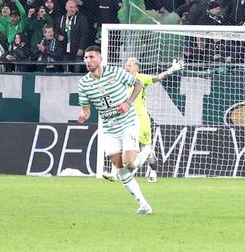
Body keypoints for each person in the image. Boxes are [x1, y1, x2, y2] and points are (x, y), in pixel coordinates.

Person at [76, 45, 151, 214]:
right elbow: (86, 110)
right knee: (119, 167)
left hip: (127, 121)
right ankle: (144, 205)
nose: (88, 61)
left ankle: (146, 152)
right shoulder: (84, 83)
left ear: (100, 58)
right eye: (86, 58)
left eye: (91, 57)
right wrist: (83, 116)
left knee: (129, 163)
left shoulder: (115, 72)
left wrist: (128, 103)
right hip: (109, 127)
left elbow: (138, 84)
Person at [123, 55, 183, 180]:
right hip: (126, 118)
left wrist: (170, 70)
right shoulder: (121, 79)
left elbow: (158, 77)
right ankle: (120, 172)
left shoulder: (141, 78)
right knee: (125, 145)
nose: (127, 67)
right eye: (126, 65)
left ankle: (153, 171)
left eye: (129, 65)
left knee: (147, 147)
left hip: (141, 117)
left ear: (136, 67)